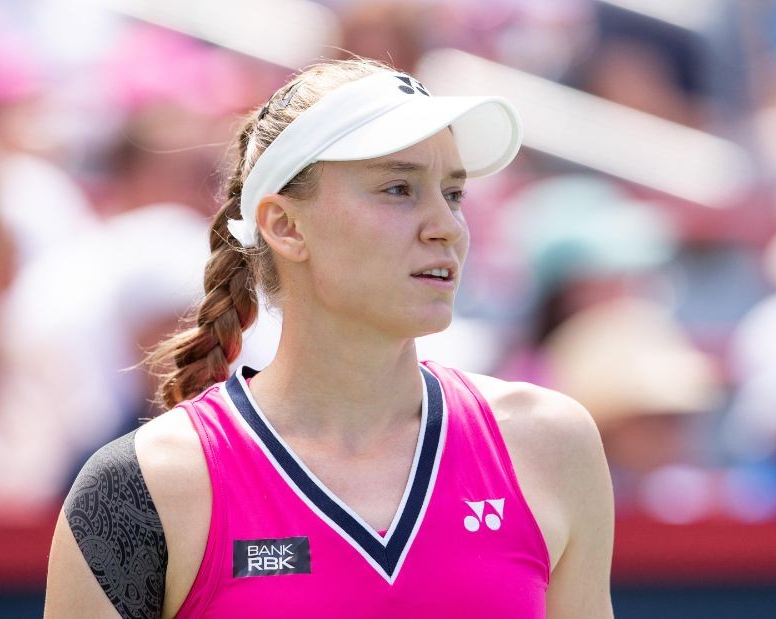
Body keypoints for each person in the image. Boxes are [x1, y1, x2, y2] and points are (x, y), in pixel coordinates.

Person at [43, 58, 614, 618]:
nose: (447, 226)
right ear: (285, 226)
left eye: (454, 193)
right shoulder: (143, 486)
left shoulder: (552, 444)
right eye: (398, 188)